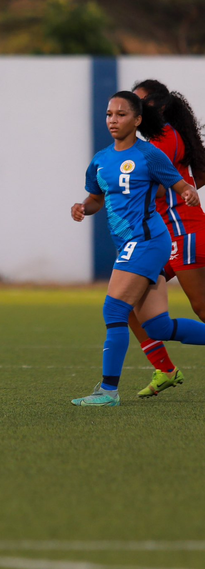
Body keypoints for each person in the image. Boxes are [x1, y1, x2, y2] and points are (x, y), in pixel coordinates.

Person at [70, 91, 205, 406]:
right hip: (131, 245)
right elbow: (96, 199)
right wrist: (82, 207)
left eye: (121, 114)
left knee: (114, 309)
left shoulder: (149, 155)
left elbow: (179, 185)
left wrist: (188, 193)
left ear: (138, 120)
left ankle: (108, 392)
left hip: (147, 241)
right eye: (109, 114)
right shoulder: (100, 160)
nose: (113, 120)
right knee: (157, 325)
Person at [123, 80, 205, 397]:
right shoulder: (159, 139)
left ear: (157, 105)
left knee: (202, 309)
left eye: (139, 102)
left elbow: (158, 185)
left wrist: (122, 186)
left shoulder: (164, 137)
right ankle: (166, 369)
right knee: (124, 302)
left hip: (184, 232)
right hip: (165, 236)